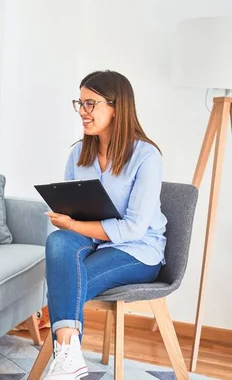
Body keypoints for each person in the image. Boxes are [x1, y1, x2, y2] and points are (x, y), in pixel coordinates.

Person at [43, 70, 167, 379]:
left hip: (138, 251)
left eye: (90, 104)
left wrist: (72, 224)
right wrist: (68, 222)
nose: (83, 112)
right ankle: (70, 358)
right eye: (80, 103)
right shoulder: (78, 154)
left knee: (68, 279)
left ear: (116, 106)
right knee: (57, 242)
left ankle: (65, 357)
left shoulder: (146, 156)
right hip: (93, 240)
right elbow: (72, 210)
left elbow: (134, 228)